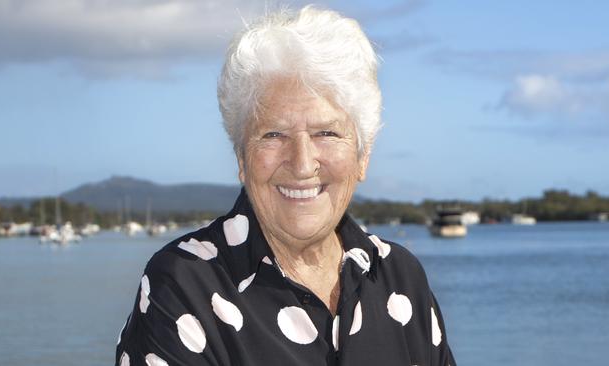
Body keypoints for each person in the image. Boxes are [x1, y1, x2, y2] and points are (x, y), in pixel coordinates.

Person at [116, 6, 456, 366]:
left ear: (363, 156)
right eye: (274, 134)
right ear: (242, 158)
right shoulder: (186, 285)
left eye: (326, 132)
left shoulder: (399, 276)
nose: (302, 162)